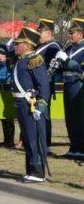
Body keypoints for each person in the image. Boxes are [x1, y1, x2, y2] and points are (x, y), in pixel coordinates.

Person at [11, 26, 51, 182]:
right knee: (27, 138)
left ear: (27, 46)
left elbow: (43, 85)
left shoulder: (35, 60)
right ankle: (30, 169)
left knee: (34, 138)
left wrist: (41, 106)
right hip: (21, 103)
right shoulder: (21, 60)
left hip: (31, 104)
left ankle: (38, 172)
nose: (15, 46)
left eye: (18, 43)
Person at [52, 17, 84, 158]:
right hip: (67, 85)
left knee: (79, 117)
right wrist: (57, 64)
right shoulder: (69, 48)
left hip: (78, 85)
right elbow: (63, 68)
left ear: (80, 34)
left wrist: (67, 60)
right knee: (69, 118)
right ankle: (74, 147)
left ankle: (81, 149)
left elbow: (80, 68)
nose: (70, 36)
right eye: (69, 33)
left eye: (72, 33)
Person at [36, 18, 60, 148]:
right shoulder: (40, 46)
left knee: (44, 113)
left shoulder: (53, 47)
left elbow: (51, 68)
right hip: (38, 84)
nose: (38, 36)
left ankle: (45, 143)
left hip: (44, 84)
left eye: (40, 32)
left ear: (48, 33)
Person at [0, 47, 15, 147]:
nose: (0, 56)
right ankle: (6, 140)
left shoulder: (10, 65)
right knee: (3, 118)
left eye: (2, 54)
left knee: (9, 117)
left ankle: (10, 141)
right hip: (1, 91)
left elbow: (9, 77)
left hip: (8, 91)